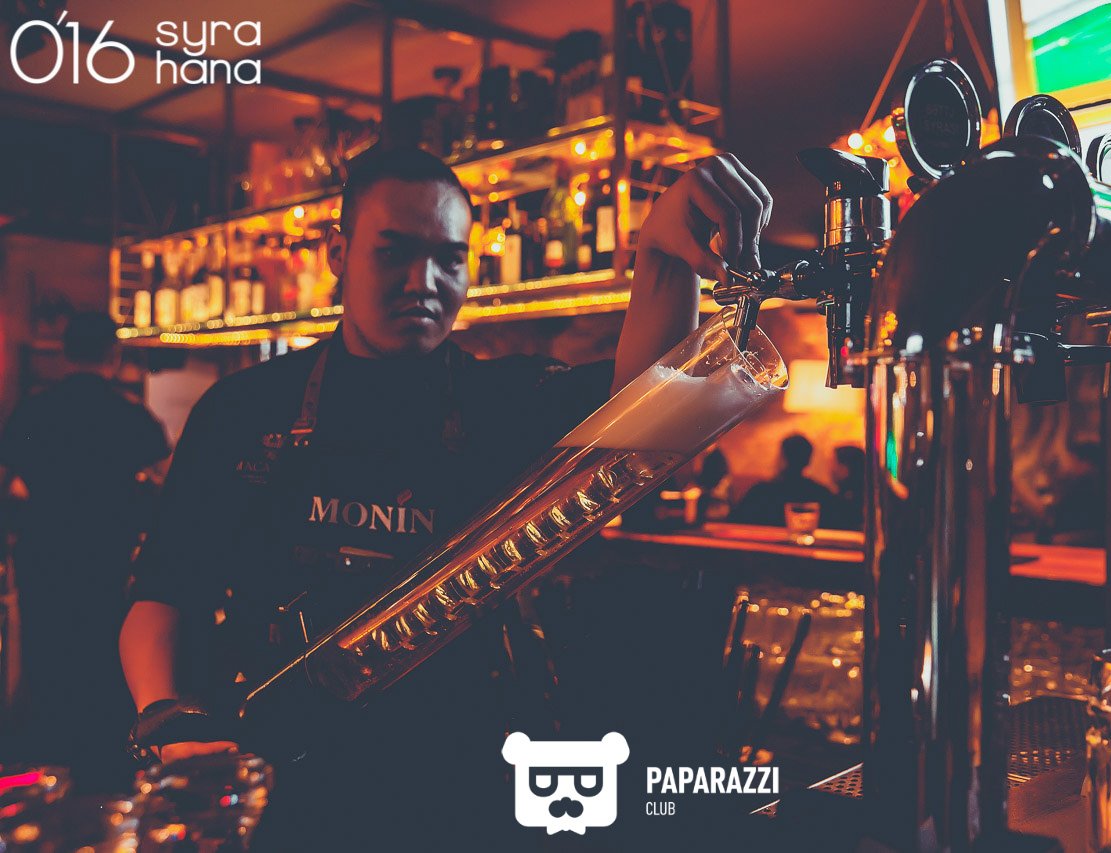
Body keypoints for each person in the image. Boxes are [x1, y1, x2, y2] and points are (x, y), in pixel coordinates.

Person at [117, 144, 772, 848]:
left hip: (458, 777)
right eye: (393, 252)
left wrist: (663, 256)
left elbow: (651, 414)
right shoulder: (244, 410)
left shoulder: (504, 401)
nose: (423, 281)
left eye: (449, 258)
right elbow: (162, 596)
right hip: (283, 771)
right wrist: (168, 721)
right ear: (338, 253)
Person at [0, 311, 169, 791]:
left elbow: (5, 481)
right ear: (114, 355)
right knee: (102, 665)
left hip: (43, 561)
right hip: (107, 563)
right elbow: (171, 482)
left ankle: (48, 777)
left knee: (48, 663)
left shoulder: (34, 412)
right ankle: (99, 784)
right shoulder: (130, 415)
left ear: (64, 353)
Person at [731, 434, 835, 527]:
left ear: (782, 458)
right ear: (808, 461)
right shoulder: (822, 494)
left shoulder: (761, 492)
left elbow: (734, 523)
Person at [829, 444, 866, 530]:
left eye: (834, 463)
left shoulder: (847, 503)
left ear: (845, 468)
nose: (831, 470)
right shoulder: (866, 496)